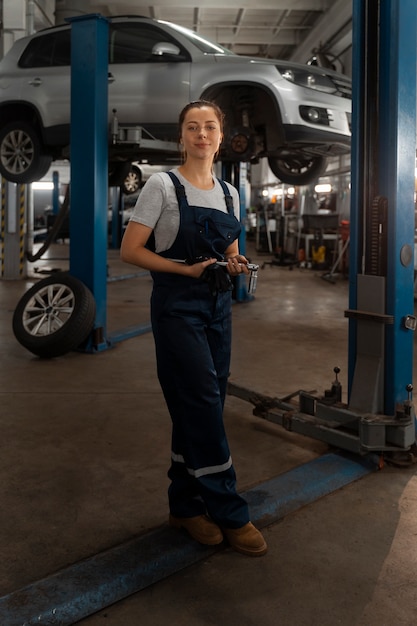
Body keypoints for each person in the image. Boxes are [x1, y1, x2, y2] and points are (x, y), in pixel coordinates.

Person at [120, 100, 267, 557]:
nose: (202, 134)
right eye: (192, 127)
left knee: (206, 401)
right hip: (178, 305)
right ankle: (228, 509)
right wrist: (184, 271)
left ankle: (184, 506)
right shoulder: (163, 186)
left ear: (221, 137)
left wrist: (235, 262)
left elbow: (231, 248)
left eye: (210, 127)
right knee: (202, 400)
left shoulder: (229, 193)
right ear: (181, 137)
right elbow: (130, 250)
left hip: (218, 305)